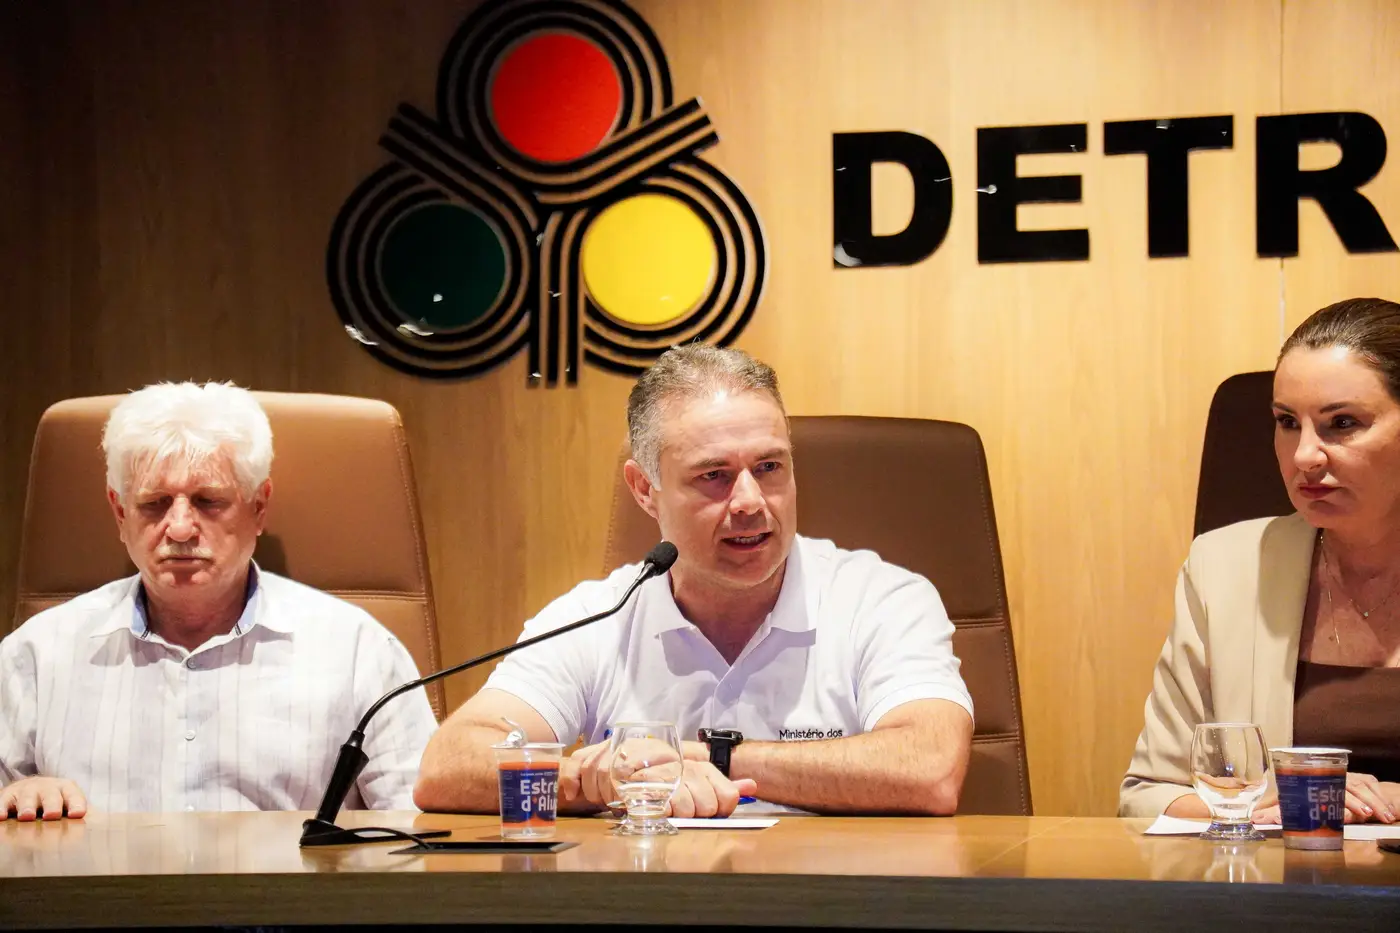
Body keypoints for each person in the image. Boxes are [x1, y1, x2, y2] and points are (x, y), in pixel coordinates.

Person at [415, 346, 974, 818]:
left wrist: (707, 759)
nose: (751, 501)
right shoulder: (595, 618)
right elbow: (447, 767)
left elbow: (930, 769)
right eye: (714, 476)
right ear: (645, 490)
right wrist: (591, 781)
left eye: (770, 467)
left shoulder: (881, 600)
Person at [0, 382, 437, 820]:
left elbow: (420, 828)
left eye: (208, 501)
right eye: (154, 503)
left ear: (259, 507)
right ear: (120, 513)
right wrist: (18, 795)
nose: (180, 529)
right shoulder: (36, 655)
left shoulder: (358, 651)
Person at [1121, 298, 1400, 824]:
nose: (1305, 456)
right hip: (1280, 876)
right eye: (1287, 422)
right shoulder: (1224, 569)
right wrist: (1266, 801)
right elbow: (1148, 796)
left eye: (1342, 422)